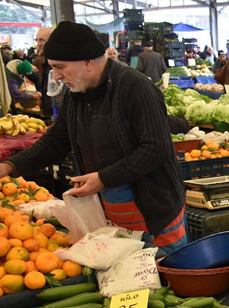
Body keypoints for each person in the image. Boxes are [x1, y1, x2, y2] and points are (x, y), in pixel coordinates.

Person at [0, 22, 187, 255]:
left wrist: (103, 178)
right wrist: (10, 165)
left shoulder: (136, 88)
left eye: (60, 67)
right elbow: (56, 141)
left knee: (163, 279)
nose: (56, 76)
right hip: (110, 212)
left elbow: (155, 148)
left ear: (88, 61)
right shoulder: (76, 95)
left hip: (154, 212)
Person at [31, 27, 53, 118]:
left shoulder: (55, 62)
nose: (38, 44)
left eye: (42, 40)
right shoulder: (45, 61)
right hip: (47, 109)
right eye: (37, 40)